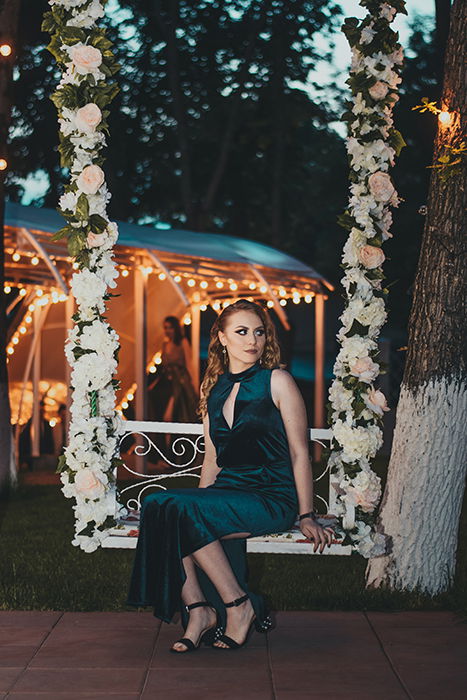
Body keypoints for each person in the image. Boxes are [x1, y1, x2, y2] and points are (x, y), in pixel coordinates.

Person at [127, 299, 334, 652]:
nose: (252, 340)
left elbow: (301, 453)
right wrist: (197, 501)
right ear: (222, 338)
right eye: (241, 332)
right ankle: (199, 610)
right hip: (229, 493)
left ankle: (239, 606)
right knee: (158, 504)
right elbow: (213, 458)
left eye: (259, 332)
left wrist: (305, 514)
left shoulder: (277, 381)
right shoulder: (214, 389)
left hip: (271, 496)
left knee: (176, 510)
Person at [147, 315, 199, 426]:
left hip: (180, 381)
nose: (167, 330)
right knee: (163, 415)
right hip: (167, 382)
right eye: (165, 328)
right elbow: (163, 367)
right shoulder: (165, 344)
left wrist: (194, 384)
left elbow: (189, 363)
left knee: (178, 414)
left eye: (170, 327)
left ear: (175, 328)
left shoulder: (182, 342)